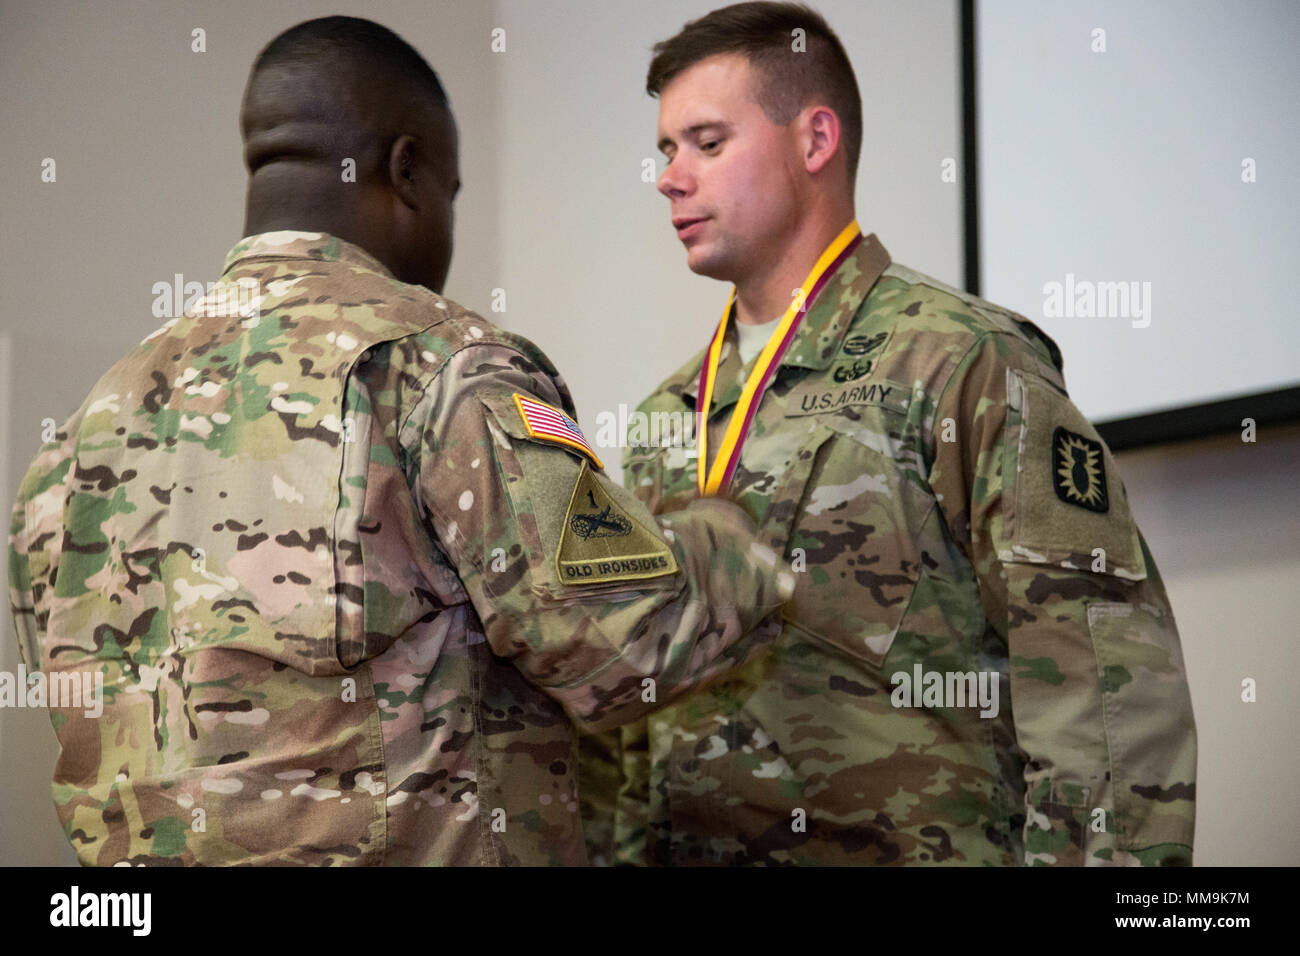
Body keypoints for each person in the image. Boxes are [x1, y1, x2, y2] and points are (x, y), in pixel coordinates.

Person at [5, 15, 794, 867]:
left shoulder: (79, 434)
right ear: (407, 170)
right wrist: (740, 544)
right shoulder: (436, 365)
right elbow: (619, 638)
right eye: (451, 194)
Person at [578, 1, 1197, 866]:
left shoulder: (965, 363)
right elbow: (633, 720)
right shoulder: (662, 420)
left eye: (707, 143)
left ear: (815, 140)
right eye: (666, 150)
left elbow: (1102, 684)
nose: (670, 177)